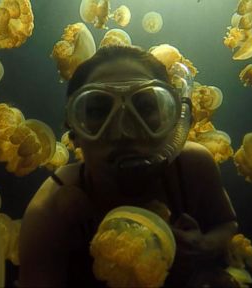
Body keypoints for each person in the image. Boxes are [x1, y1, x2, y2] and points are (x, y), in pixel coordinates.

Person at [18, 45, 238, 287]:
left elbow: (226, 224)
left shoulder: (193, 166)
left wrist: (204, 247)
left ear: (174, 120)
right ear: (75, 133)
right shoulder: (49, 212)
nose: (124, 131)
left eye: (145, 107)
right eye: (98, 111)